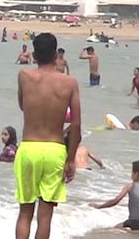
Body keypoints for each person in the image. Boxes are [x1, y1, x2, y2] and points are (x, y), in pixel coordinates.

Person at [15, 32, 81, 239]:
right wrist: (71, 159)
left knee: (25, 212)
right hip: (55, 149)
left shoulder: (24, 76)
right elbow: (76, 124)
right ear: (55, 56)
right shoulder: (70, 83)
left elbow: (22, 105)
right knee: (45, 216)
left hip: (29, 148)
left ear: (34, 55)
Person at [90, 159, 139, 230]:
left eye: (132, 172)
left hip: (134, 222)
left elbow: (116, 201)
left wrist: (99, 206)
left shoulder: (130, 186)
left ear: (136, 174)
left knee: (115, 229)